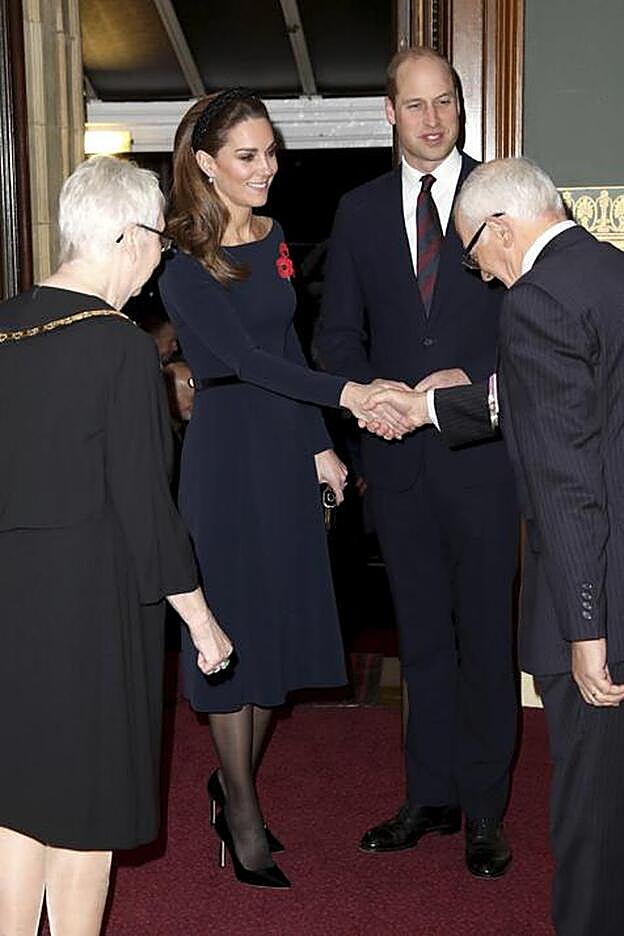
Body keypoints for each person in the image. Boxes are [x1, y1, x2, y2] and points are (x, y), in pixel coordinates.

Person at [368, 156, 624, 936]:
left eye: (476, 255)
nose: (480, 276)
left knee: (593, 820)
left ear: (502, 227)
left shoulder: (534, 302)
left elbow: (568, 481)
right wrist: (430, 406)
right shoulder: (606, 269)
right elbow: (563, 393)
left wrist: (586, 629)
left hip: (596, 589)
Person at [159, 87, 403, 889]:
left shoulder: (273, 236)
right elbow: (240, 361)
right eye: (247, 155)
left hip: (282, 444)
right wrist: (348, 399)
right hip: (227, 458)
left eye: (271, 153)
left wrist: (320, 452)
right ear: (205, 164)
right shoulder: (181, 261)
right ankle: (243, 809)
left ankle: (230, 787)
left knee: (271, 630)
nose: (267, 169)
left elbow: (288, 340)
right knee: (230, 632)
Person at [0, 155, 232, 935]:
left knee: (16, 798)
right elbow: (145, 507)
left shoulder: (3, 326)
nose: (155, 266)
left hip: (11, 606)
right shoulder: (123, 348)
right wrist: (201, 622)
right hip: (88, 612)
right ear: (127, 236)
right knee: (85, 804)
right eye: (158, 247)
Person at [314, 46, 519, 877]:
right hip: (396, 461)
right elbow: (335, 336)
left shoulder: (503, 198)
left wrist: (469, 379)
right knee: (423, 640)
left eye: (446, 103)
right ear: (389, 113)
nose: (433, 120)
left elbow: (534, 322)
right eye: (417, 105)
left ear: (461, 108)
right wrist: (367, 397)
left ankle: (484, 813)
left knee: (486, 639)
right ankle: (428, 797)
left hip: (483, 459)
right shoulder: (359, 213)